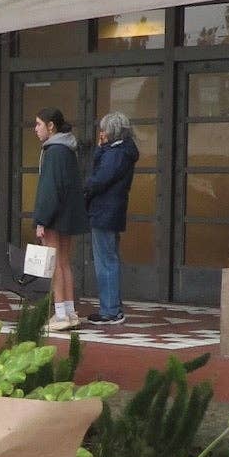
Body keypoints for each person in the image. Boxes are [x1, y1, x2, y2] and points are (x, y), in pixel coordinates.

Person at [32, 106, 87, 334]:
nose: (36, 129)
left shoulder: (53, 151)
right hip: (68, 214)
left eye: (38, 124)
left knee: (54, 264)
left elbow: (49, 189)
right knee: (64, 262)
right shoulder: (68, 149)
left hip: (54, 216)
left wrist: (41, 220)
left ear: (51, 126)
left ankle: (61, 314)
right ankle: (70, 312)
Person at [83, 111, 140, 327]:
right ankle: (112, 308)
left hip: (104, 212)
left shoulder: (116, 154)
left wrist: (84, 188)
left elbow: (99, 178)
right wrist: (100, 149)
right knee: (109, 258)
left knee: (105, 261)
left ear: (112, 131)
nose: (101, 133)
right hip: (110, 211)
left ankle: (110, 311)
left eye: (104, 129)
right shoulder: (121, 151)